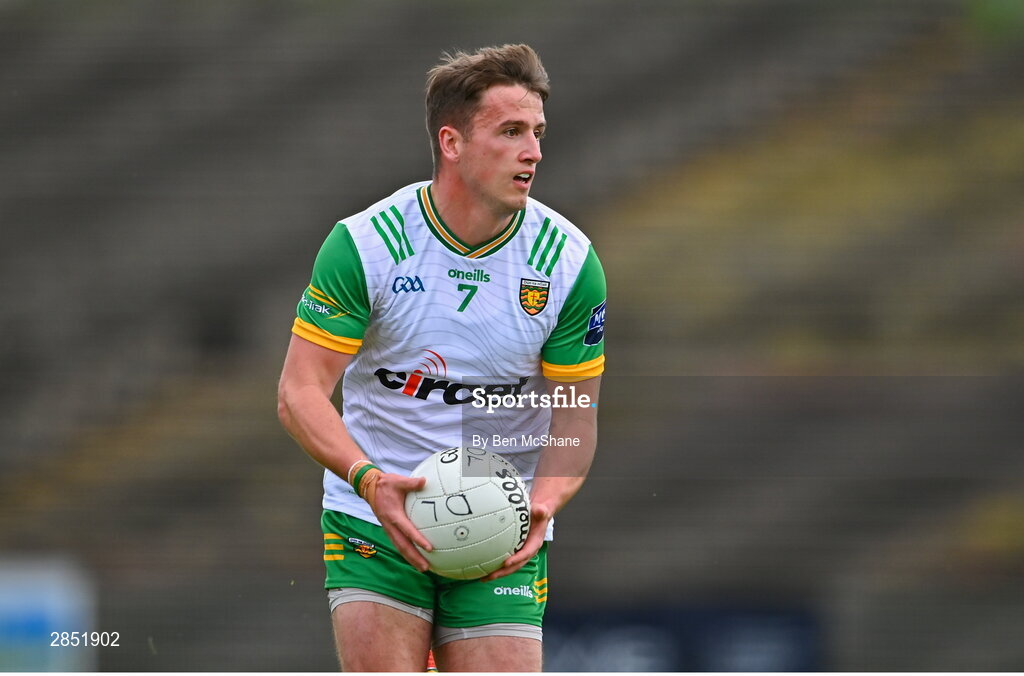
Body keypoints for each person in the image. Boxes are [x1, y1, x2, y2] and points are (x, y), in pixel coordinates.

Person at [277, 43, 605, 672]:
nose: (533, 151)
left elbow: (575, 416)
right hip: (373, 516)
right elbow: (298, 394)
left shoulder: (568, 261)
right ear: (452, 143)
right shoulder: (367, 245)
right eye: (511, 131)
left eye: (537, 132)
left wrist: (545, 500)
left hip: (501, 526)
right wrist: (370, 481)